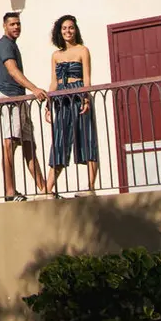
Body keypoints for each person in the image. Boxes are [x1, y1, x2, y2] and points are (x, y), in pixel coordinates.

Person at [0, 11, 50, 201]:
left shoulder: (12, 45)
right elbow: (12, 70)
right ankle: (10, 192)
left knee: (29, 145)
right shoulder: (4, 45)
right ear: (5, 26)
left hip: (20, 98)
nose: (16, 27)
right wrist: (34, 88)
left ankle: (44, 189)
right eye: (12, 24)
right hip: (10, 99)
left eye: (18, 24)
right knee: (9, 144)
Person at [45, 14, 101, 196]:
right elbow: (53, 82)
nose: (67, 31)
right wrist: (48, 105)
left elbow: (87, 78)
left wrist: (85, 98)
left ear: (75, 30)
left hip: (78, 95)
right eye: (64, 28)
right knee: (59, 140)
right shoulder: (55, 55)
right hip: (61, 99)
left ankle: (91, 187)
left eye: (70, 28)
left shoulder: (83, 50)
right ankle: (47, 189)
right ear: (59, 32)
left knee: (86, 137)